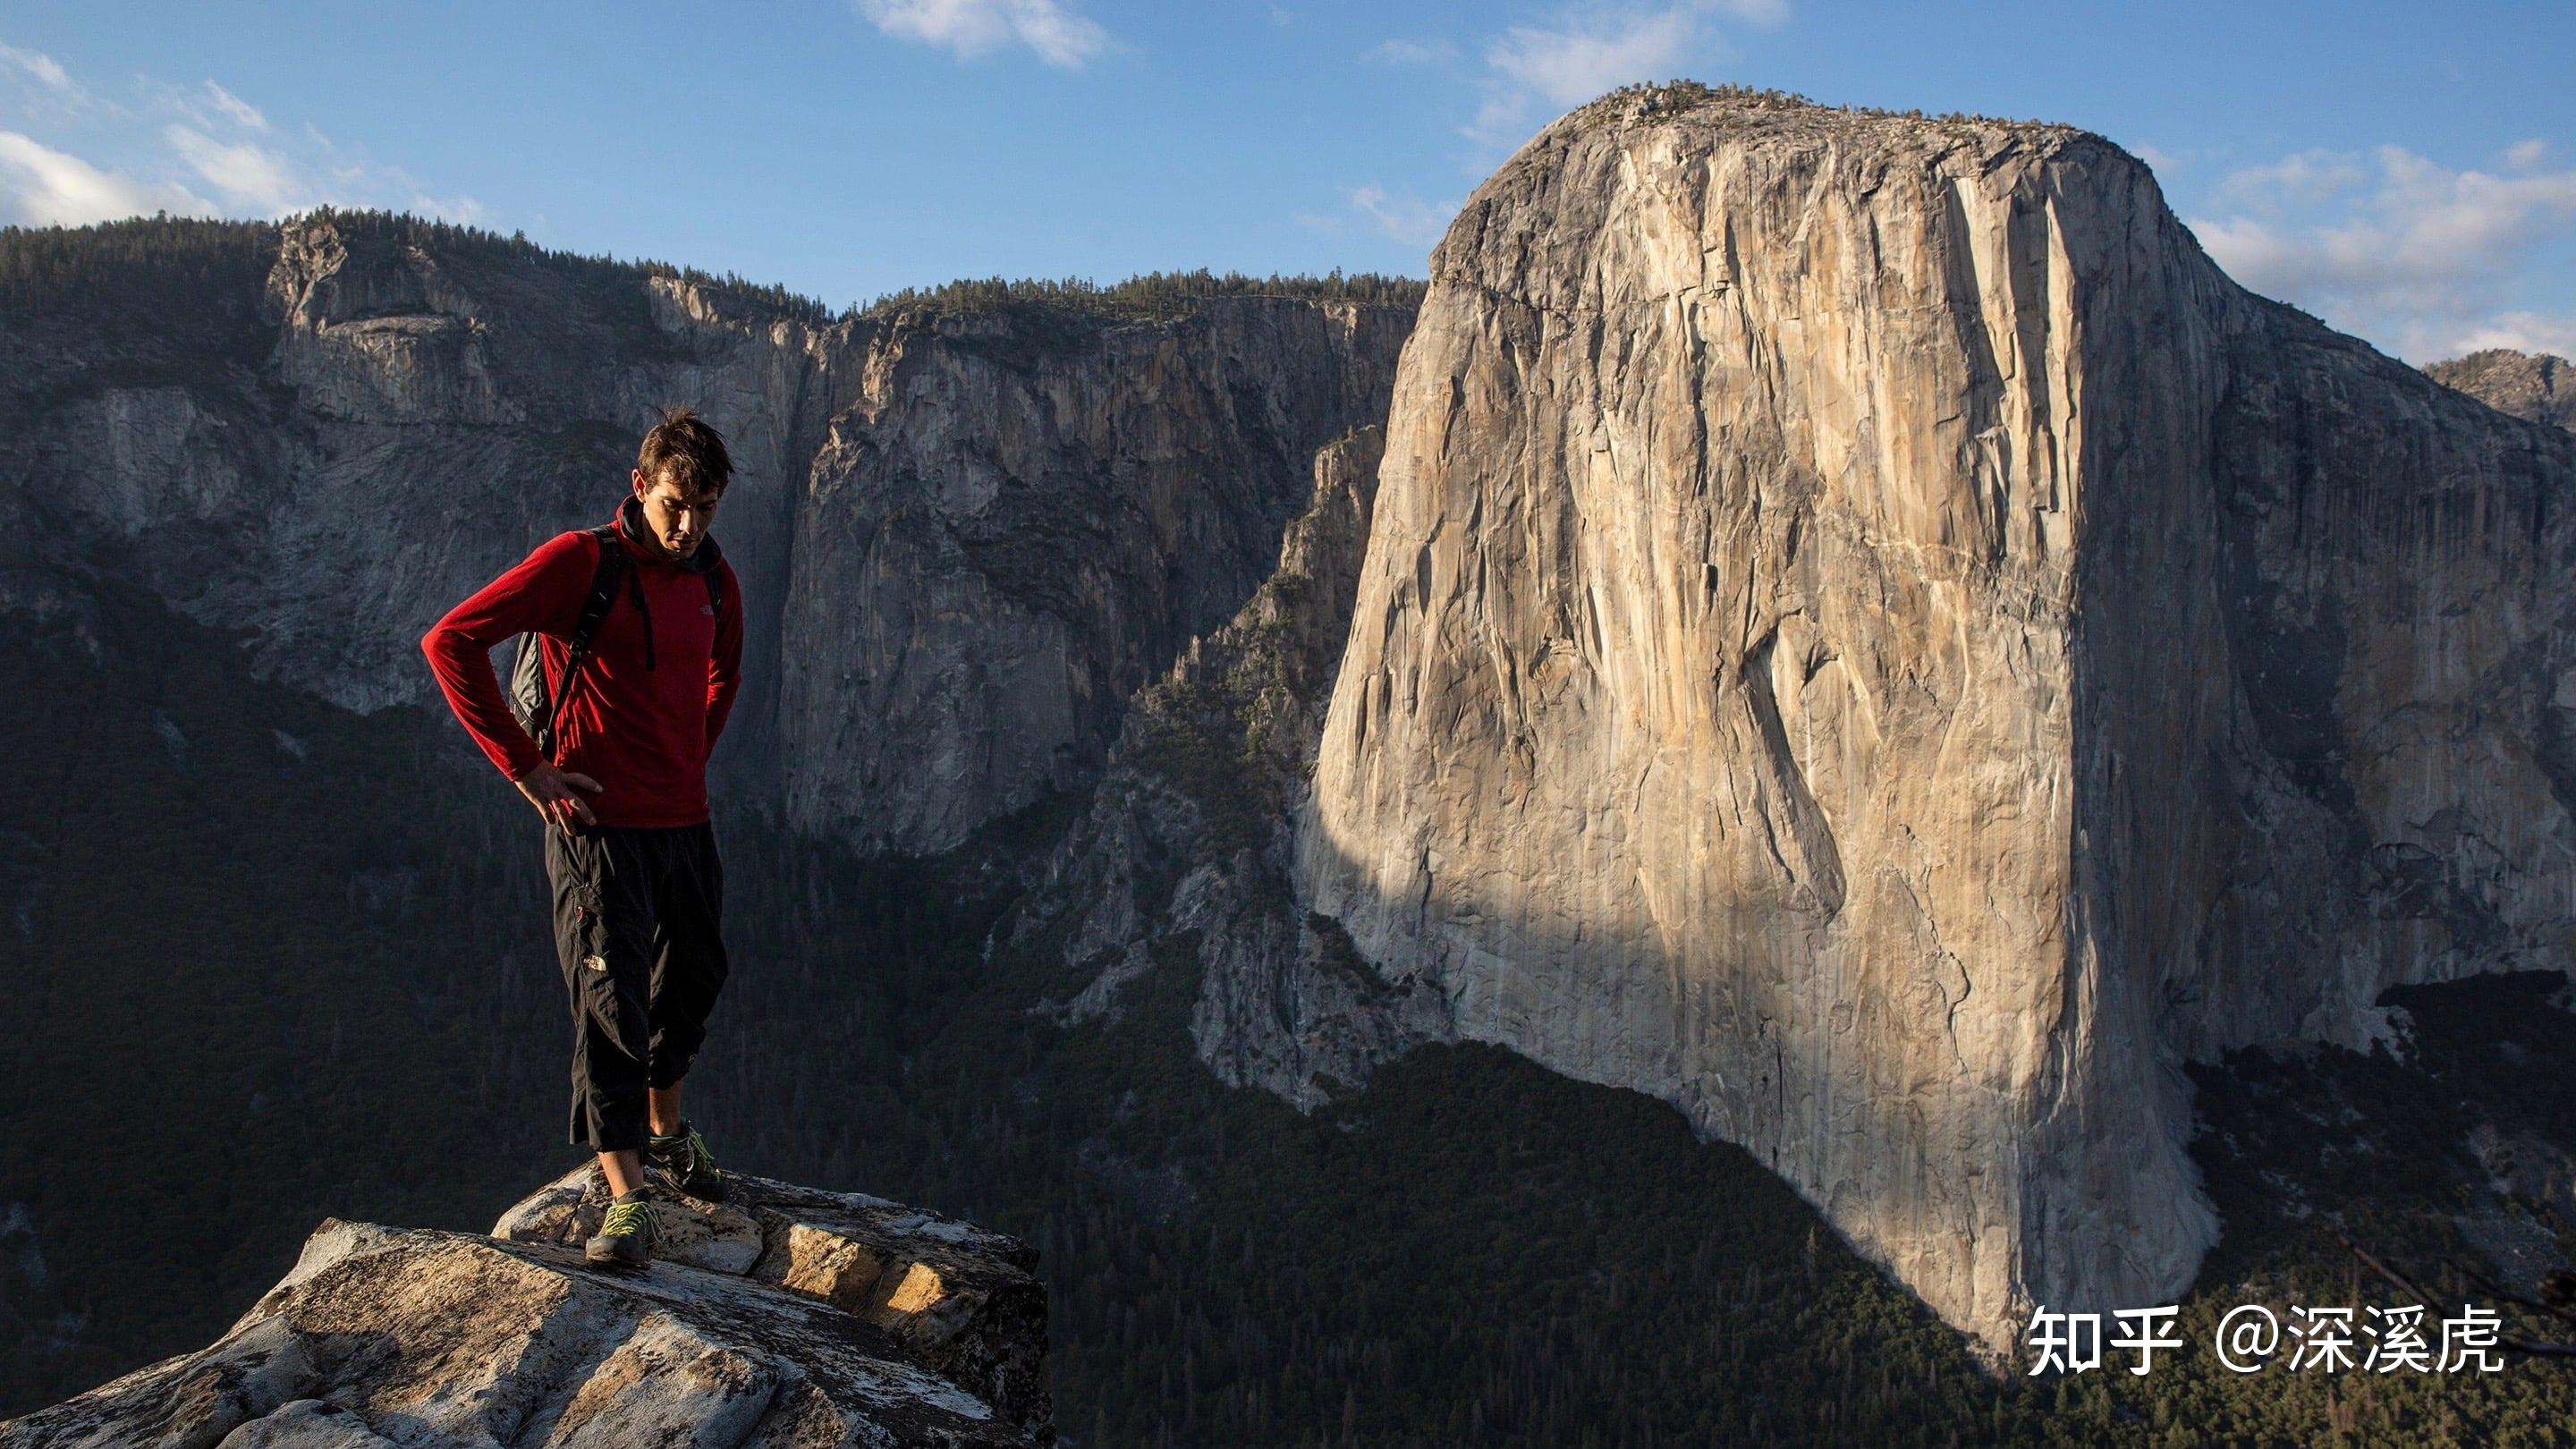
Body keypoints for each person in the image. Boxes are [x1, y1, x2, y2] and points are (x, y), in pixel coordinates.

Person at [419, 406, 746, 1267]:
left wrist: (686, 759)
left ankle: (665, 1129)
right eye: (677, 504)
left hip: (684, 823)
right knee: (611, 1003)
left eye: (706, 511)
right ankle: (627, 1194)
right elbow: (450, 640)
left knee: (698, 974)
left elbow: (725, 674)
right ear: (640, 488)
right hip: (594, 828)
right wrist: (526, 769)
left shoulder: (715, 580)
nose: (689, 526)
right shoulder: (579, 565)